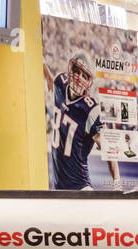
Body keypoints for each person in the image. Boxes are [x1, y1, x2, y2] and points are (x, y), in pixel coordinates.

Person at [44, 51, 120, 190]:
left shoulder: (90, 109)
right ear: (71, 70)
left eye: (84, 75)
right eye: (77, 72)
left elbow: (108, 150)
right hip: (59, 187)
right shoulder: (60, 83)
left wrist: (117, 183)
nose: (79, 77)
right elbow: (50, 81)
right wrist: (42, 62)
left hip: (81, 187)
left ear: (88, 81)